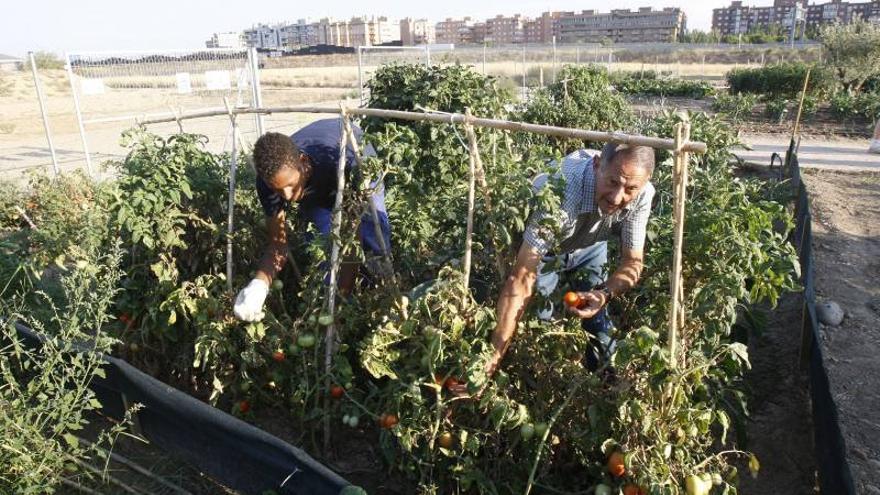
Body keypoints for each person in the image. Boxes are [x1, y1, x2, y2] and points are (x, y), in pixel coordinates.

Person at [480, 143, 656, 383]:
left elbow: (633, 261)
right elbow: (521, 277)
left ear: (644, 183)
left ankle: (605, 388)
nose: (617, 197)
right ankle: (534, 381)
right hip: (546, 252)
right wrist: (491, 359)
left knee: (599, 325)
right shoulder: (560, 191)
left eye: (630, 189)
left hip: (590, 246)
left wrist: (604, 293)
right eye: (613, 182)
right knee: (538, 323)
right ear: (596, 166)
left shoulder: (643, 193)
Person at [233, 118, 391, 322]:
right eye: (277, 189)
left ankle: (378, 294)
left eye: (289, 185)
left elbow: (353, 243)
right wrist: (259, 285)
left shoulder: (342, 165)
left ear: (304, 163)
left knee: (371, 236)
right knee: (322, 242)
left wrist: (341, 302)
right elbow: (278, 245)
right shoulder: (269, 182)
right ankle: (329, 294)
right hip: (315, 176)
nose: (287, 196)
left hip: (356, 154)